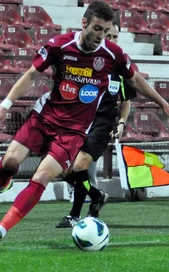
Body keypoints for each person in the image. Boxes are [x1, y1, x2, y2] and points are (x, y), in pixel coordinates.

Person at [0, 1, 169, 251]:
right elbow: (31, 74)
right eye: (97, 29)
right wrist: (5, 105)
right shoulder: (59, 45)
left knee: (41, 176)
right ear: (84, 23)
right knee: (10, 162)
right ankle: (1, 184)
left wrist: (163, 104)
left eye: (105, 31)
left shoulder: (112, 55)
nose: (100, 36)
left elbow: (135, 80)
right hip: (44, 117)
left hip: (73, 131)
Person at [55, 24, 135, 228]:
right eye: (108, 35)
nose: (112, 40)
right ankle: (97, 195)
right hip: (78, 122)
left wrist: (121, 122)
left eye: (115, 36)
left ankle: (75, 214)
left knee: (82, 168)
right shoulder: (87, 61)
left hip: (102, 125)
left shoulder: (120, 66)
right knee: (62, 170)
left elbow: (126, 100)